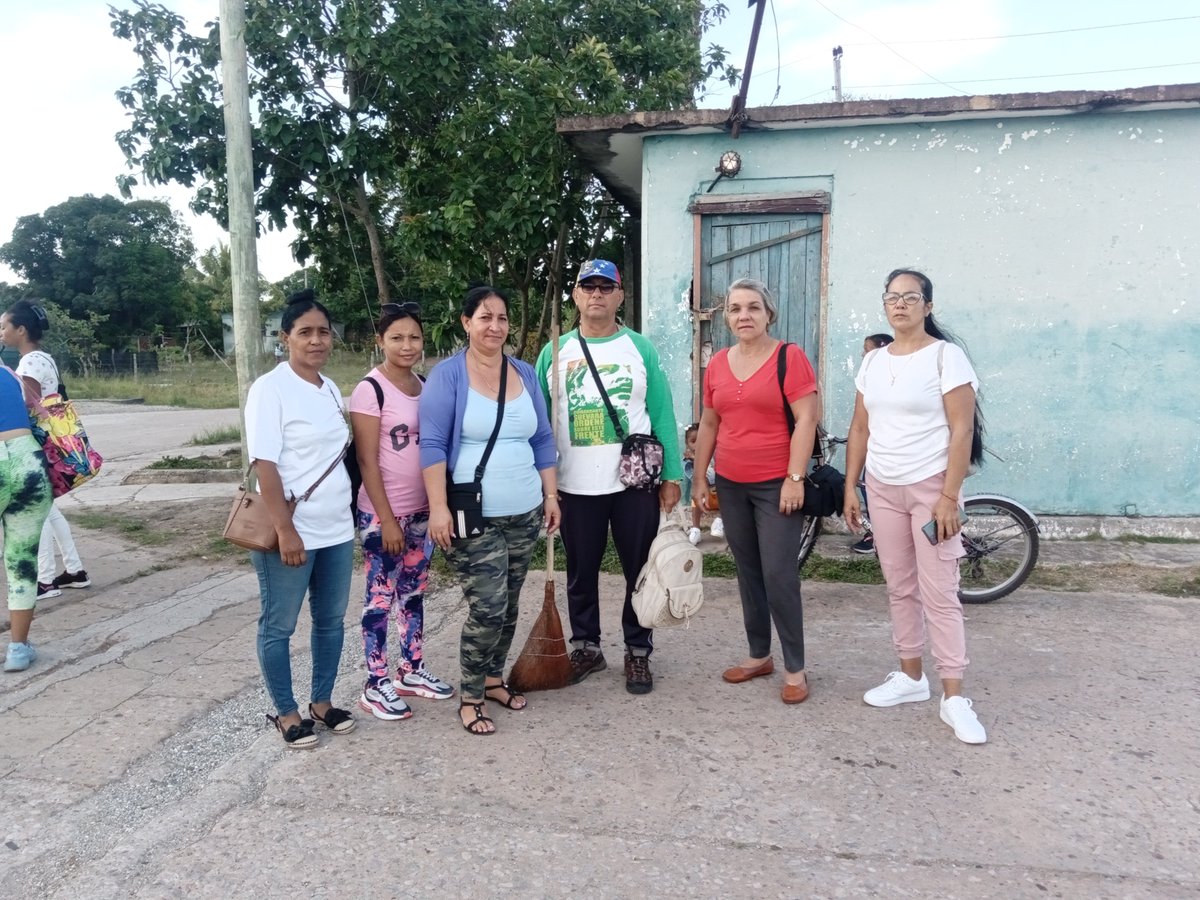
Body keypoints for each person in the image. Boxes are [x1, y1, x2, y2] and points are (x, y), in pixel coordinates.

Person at [843, 268, 987, 745]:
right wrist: (851, 486)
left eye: (910, 297)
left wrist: (949, 496)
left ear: (928, 306)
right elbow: (860, 428)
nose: (900, 304)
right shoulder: (873, 362)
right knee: (899, 586)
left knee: (940, 591)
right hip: (882, 488)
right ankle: (910, 678)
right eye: (892, 297)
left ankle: (954, 697)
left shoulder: (948, 358)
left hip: (932, 491)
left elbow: (961, 430)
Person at [535, 259, 682, 695]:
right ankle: (586, 647)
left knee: (640, 570)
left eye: (606, 287)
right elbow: (541, 422)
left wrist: (673, 474)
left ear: (620, 295)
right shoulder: (554, 351)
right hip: (574, 485)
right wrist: (544, 486)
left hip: (633, 484)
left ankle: (638, 652)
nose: (596, 294)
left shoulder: (640, 349)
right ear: (576, 295)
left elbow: (662, 414)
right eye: (588, 286)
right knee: (581, 572)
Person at [420, 286, 560, 736]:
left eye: (501, 318)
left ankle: (496, 678)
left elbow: (541, 438)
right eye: (485, 317)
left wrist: (552, 496)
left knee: (512, 603)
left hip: (525, 510)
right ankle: (472, 695)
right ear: (466, 322)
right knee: (488, 606)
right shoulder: (447, 376)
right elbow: (432, 444)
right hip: (471, 513)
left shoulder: (523, 373)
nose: (495, 326)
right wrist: (437, 508)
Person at [692, 278, 819, 705]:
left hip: (776, 484)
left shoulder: (790, 357)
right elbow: (710, 423)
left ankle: (795, 668)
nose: (743, 315)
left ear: (769, 314)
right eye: (734, 309)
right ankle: (758, 654)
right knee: (747, 572)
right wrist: (699, 476)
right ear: (726, 317)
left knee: (780, 574)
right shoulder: (718, 365)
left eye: (752, 308)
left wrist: (794, 477)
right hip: (731, 483)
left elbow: (806, 420)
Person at [245, 289, 356, 749]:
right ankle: (287, 712)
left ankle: (322, 702)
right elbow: (264, 464)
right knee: (280, 624)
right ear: (285, 337)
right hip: (291, 531)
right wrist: (286, 531)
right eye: (305, 332)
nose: (316, 341)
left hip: (337, 528)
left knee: (330, 621)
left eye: (323, 332)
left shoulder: (328, 387)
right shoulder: (269, 389)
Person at [350, 302, 453, 722]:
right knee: (379, 599)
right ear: (381, 341)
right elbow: (367, 462)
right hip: (383, 517)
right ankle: (375, 684)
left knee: (412, 594)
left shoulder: (425, 385)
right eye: (397, 337)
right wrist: (387, 519)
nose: (406, 345)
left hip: (422, 513)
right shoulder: (370, 389)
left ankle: (410, 669)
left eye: (413, 337)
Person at [0, 301, 90, 599]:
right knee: (49, 510)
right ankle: (75, 571)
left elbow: (27, 407)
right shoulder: (43, 358)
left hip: (37, 444)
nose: (1, 333)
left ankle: (46, 580)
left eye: (4, 327)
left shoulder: (29, 363)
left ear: (21, 330)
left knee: (37, 512)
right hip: (51, 443)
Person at [1, 363, 53, 672]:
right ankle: (18, 650)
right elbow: (41, 415)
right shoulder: (11, 375)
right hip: (28, 462)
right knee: (21, 559)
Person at [850, 333, 894, 555]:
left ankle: (876, 533)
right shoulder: (869, 378)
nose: (862, 354)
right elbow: (860, 425)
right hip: (879, 456)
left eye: (866, 350)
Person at [682, 423, 722, 546]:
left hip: (717, 491)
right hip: (703, 494)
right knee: (695, 503)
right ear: (687, 444)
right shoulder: (688, 460)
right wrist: (694, 460)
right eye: (693, 441)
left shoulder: (716, 453)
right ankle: (696, 529)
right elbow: (693, 476)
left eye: (701, 439)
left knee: (727, 497)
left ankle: (720, 522)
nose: (698, 444)